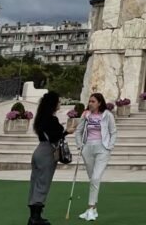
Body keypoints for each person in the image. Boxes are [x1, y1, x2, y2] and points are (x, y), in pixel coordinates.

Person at [28, 90, 73, 225]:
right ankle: (36, 217)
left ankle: (33, 216)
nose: (60, 104)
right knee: (43, 183)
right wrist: (67, 131)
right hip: (47, 152)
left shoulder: (41, 118)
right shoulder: (51, 119)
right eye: (58, 101)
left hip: (39, 150)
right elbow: (55, 136)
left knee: (35, 182)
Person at [75, 92, 117, 221]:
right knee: (92, 179)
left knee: (95, 177)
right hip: (87, 147)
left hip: (102, 148)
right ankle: (94, 209)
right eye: (89, 101)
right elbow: (79, 131)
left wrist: (109, 146)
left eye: (93, 101)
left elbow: (113, 132)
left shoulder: (107, 115)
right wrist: (80, 145)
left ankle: (90, 207)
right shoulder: (86, 115)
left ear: (99, 103)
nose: (90, 104)